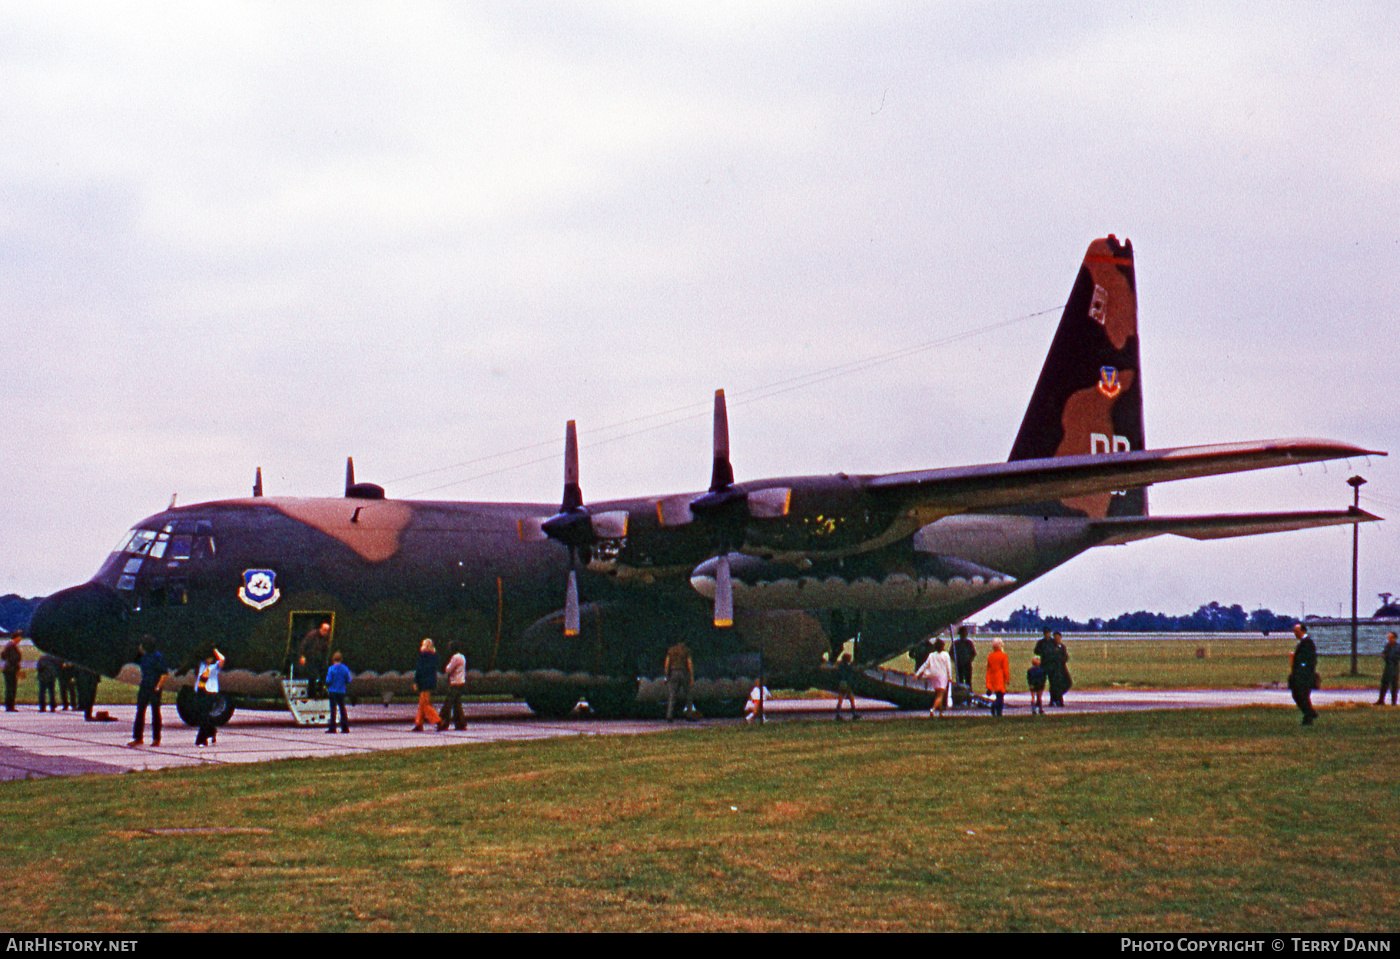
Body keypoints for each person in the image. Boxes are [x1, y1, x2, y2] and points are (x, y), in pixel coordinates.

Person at [128, 638, 168, 747]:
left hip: (154, 687)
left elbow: (164, 673)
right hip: (144, 685)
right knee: (140, 711)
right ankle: (138, 737)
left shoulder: (158, 657)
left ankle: (156, 738)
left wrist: (158, 687)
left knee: (155, 712)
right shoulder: (144, 656)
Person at [1288, 623, 1319, 726]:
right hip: (1299, 674)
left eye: (1296, 631)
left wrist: (1302, 667)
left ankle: (1310, 714)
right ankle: (1309, 715)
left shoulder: (1307, 643)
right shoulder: (1302, 642)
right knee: (1300, 695)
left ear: (1302, 631)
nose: (1295, 633)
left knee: (1301, 695)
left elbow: (1310, 659)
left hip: (1304, 675)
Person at [194, 647, 225, 746]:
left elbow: (222, 659)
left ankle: (201, 739)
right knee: (202, 714)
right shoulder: (202, 665)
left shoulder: (215, 667)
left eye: (210, 658)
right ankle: (212, 731)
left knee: (205, 715)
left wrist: (215, 650)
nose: (209, 660)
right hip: (200, 691)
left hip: (210, 691)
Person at [916, 638, 953, 717]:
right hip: (942, 676)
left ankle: (941, 712)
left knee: (937, 694)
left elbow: (925, 665)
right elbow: (948, 667)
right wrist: (950, 677)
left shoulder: (931, 655)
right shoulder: (945, 655)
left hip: (933, 676)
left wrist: (917, 673)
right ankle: (933, 709)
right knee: (941, 694)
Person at [437, 642, 468, 731]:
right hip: (461, 682)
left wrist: (446, 667)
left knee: (448, 704)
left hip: (455, 683)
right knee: (457, 705)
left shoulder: (455, 658)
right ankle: (460, 723)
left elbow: (448, 669)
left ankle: (443, 722)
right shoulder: (462, 657)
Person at [413, 638, 441, 731]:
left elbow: (419, 670)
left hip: (423, 682)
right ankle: (419, 724)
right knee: (422, 703)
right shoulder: (434, 657)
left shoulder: (423, 656)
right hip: (431, 682)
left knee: (424, 705)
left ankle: (437, 721)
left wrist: (416, 681)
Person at [299, 621, 332, 696]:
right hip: (311, 658)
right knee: (312, 676)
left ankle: (321, 691)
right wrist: (302, 656)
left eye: (327, 631)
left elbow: (325, 649)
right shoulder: (312, 635)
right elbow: (303, 645)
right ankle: (311, 694)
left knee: (324, 674)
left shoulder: (326, 638)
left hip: (320, 659)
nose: (325, 632)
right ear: (321, 629)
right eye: (324, 630)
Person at [664, 641, 694, 722]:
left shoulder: (671, 650)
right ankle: (689, 715)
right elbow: (689, 663)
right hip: (683, 673)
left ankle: (669, 716)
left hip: (673, 673)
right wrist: (691, 676)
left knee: (672, 695)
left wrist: (666, 675)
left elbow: (667, 663)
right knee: (688, 695)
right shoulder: (686, 650)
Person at [325, 651, 352, 734]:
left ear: (333, 659)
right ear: (341, 659)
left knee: (333, 710)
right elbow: (349, 680)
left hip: (333, 691)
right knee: (342, 709)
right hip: (341, 691)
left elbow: (328, 680)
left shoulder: (331, 669)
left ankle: (332, 728)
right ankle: (345, 727)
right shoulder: (345, 668)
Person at [985, 638, 1010, 717]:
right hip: (1000, 677)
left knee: (997, 694)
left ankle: (997, 711)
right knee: (1000, 696)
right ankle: (996, 708)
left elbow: (988, 667)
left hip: (992, 676)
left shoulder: (990, 656)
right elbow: (1005, 668)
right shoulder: (1003, 656)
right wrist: (1007, 678)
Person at [1377, 632, 1400, 706]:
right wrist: (1385, 656)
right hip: (1387, 666)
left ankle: (1394, 702)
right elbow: (1384, 653)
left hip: (1394, 667)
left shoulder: (1398, 647)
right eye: (1388, 637)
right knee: (1384, 683)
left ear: (1395, 638)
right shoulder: (1387, 646)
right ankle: (1381, 700)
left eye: (1390, 637)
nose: (1389, 639)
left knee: (1394, 684)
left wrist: (1392, 658)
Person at [2, 631, 22, 712]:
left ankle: (8, 705)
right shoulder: (12, 646)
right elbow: (14, 658)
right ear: (16, 637)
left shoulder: (8, 645)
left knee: (9, 688)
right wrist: (16, 666)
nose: (20, 639)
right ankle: (10, 706)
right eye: (19, 637)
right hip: (11, 670)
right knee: (12, 688)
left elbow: (3, 655)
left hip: (7, 668)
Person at [834, 652, 857, 721]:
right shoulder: (849, 667)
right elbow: (850, 677)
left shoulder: (840, 666)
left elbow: (837, 674)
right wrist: (853, 684)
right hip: (847, 684)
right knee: (851, 699)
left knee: (840, 699)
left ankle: (838, 714)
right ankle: (854, 714)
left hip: (841, 683)